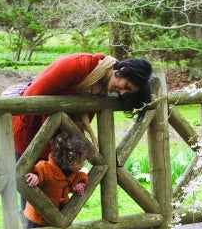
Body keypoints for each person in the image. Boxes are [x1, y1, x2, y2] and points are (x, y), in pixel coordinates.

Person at [12, 52, 153, 161]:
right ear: (122, 70)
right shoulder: (77, 66)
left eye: (127, 92)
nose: (122, 93)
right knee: (31, 194)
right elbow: (31, 97)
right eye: (126, 86)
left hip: (57, 149)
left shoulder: (101, 87)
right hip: (30, 139)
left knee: (54, 197)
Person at [24, 132, 95, 229]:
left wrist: (80, 184)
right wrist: (35, 176)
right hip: (38, 219)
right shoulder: (46, 167)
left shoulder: (70, 172)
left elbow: (80, 177)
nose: (82, 165)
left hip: (57, 218)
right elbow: (38, 171)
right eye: (80, 162)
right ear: (68, 159)